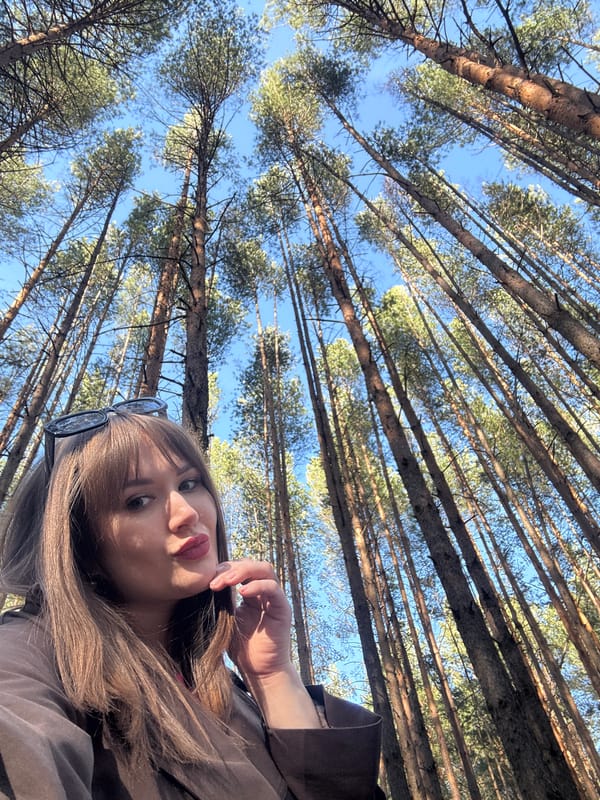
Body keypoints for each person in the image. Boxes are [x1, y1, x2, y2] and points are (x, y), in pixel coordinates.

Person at [0, 398, 384, 799]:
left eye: (188, 484)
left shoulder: (220, 684)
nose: (185, 513)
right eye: (138, 501)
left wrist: (272, 676)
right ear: (80, 548)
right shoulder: (29, 657)